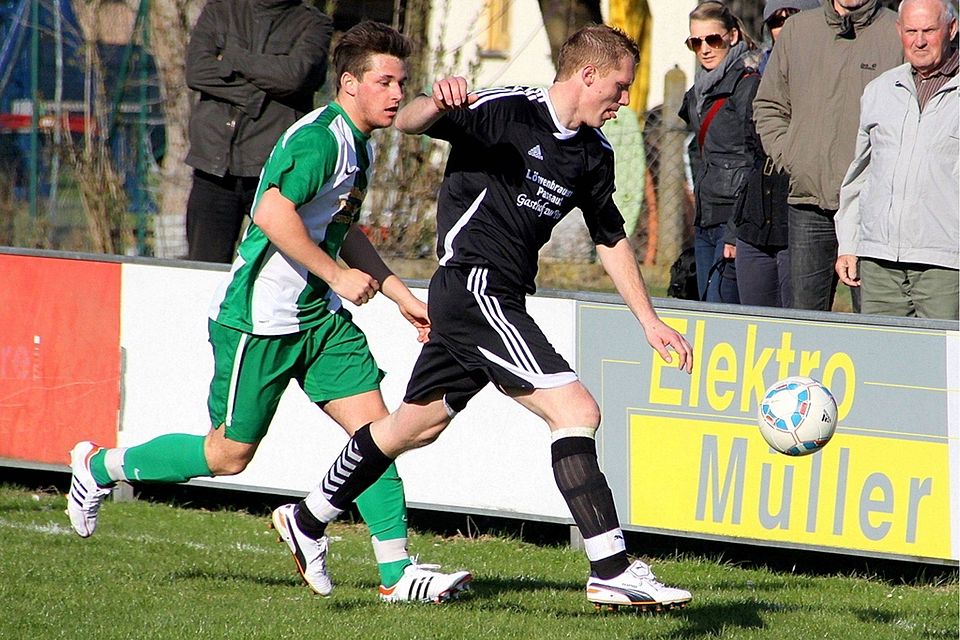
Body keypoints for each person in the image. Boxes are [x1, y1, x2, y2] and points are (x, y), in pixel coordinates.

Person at [270, 24, 696, 611]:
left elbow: (611, 237)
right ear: (588, 75)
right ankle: (611, 567)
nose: (624, 100)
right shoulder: (507, 111)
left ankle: (308, 517)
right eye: (620, 87)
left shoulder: (594, 155)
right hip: (473, 285)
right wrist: (436, 98)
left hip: (499, 296)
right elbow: (413, 121)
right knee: (576, 410)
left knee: (412, 427)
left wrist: (649, 321)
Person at [67, 21, 472, 604]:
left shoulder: (359, 140)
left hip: (319, 320)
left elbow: (338, 225)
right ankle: (99, 468)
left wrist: (400, 296)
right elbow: (269, 213)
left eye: (402, 83)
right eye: (385, 82)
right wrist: (335, 274)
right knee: (228, 455)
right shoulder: (319, 138)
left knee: (377, 435)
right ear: (350, 82)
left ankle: (396, 574)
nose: (396, 94)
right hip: (261, 319)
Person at [753, 0, 902, 311]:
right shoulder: (798, 30)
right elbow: (769, 105)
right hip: (809, 203)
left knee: (877, 320)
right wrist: (793, 156)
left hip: (874, 209)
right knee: (804, 323)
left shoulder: (899, 30)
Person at [835, 0, 958, 319]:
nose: (919, 40)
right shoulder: (880, 91)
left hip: (945, 265)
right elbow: (859, 177)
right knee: (880, 364)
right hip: (879, 263)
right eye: (911, 31)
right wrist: (849, 243)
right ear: (898, 31)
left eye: (929, 30)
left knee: (942, 365)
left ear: (952, 29)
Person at [183, 0, 332, 263]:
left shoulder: (314, 24)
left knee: (273, 272)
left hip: (274, 174)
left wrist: (233, 57)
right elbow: (196, 71)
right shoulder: (220, 10)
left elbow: (294, 77)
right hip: (213, 168)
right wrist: (257, 92)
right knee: (202, 272)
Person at [731, 0, 817, 308]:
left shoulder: (826, 79)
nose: (785, 27)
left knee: (796, 327)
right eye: (776, 21)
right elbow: (746, 156)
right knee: (754, 327)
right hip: (754, 220)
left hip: (801, 217)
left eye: (792, 17)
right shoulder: (755, 78)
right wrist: (733, 229)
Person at [679, 2, 760, 304]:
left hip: (732, 222)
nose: (704, 49)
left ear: (733, 36)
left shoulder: (747, 85)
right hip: (705, 218)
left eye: (712, 39)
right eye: (695, 42)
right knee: (706, 309)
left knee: (721, 310)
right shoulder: (699, 91)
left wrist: (735, 232)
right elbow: (698, 152)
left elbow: (755, 161)